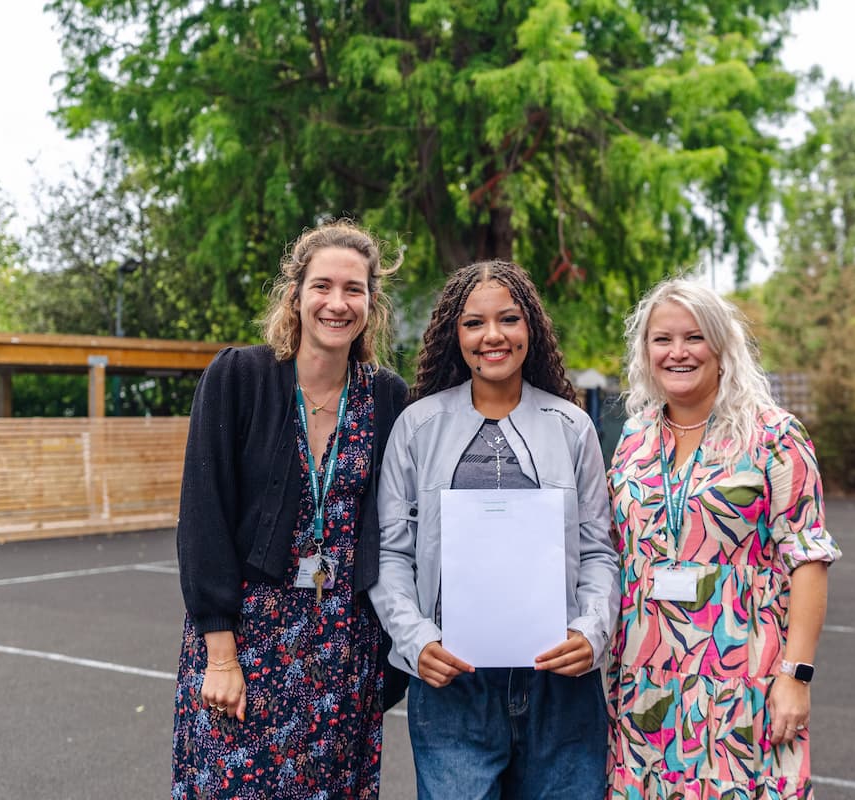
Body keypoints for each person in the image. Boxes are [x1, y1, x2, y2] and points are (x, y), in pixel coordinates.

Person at [171, 220, 408, 800]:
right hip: (248, 643)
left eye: (353, 289)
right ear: (295, 294)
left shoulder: (386, 396)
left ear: (371, 303)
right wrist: (220, 654)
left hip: (343, 648)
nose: (337, 303)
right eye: (322, 286)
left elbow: (398, 524)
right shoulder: (239, 377)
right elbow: (203, 515)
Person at [369, 260, 619, 799]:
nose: (493, 336)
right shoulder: (417, 427)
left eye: (508, 319)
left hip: (560, 686)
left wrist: (592, 631)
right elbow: (391, 552)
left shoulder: (572, 427)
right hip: (453, 684)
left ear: (531, 327)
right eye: (474, 323)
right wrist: (416, 640)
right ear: (453, 335)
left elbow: (599, 550)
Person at [606, 278, 841, 799]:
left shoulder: (774, 436)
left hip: (741, 676)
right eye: (662, 339)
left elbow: (809, 559)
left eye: (694, 337)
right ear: (645, 351)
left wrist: (796, 676)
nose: (678, 352)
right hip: (646, 680)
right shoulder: (634, 439)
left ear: (722, 346)